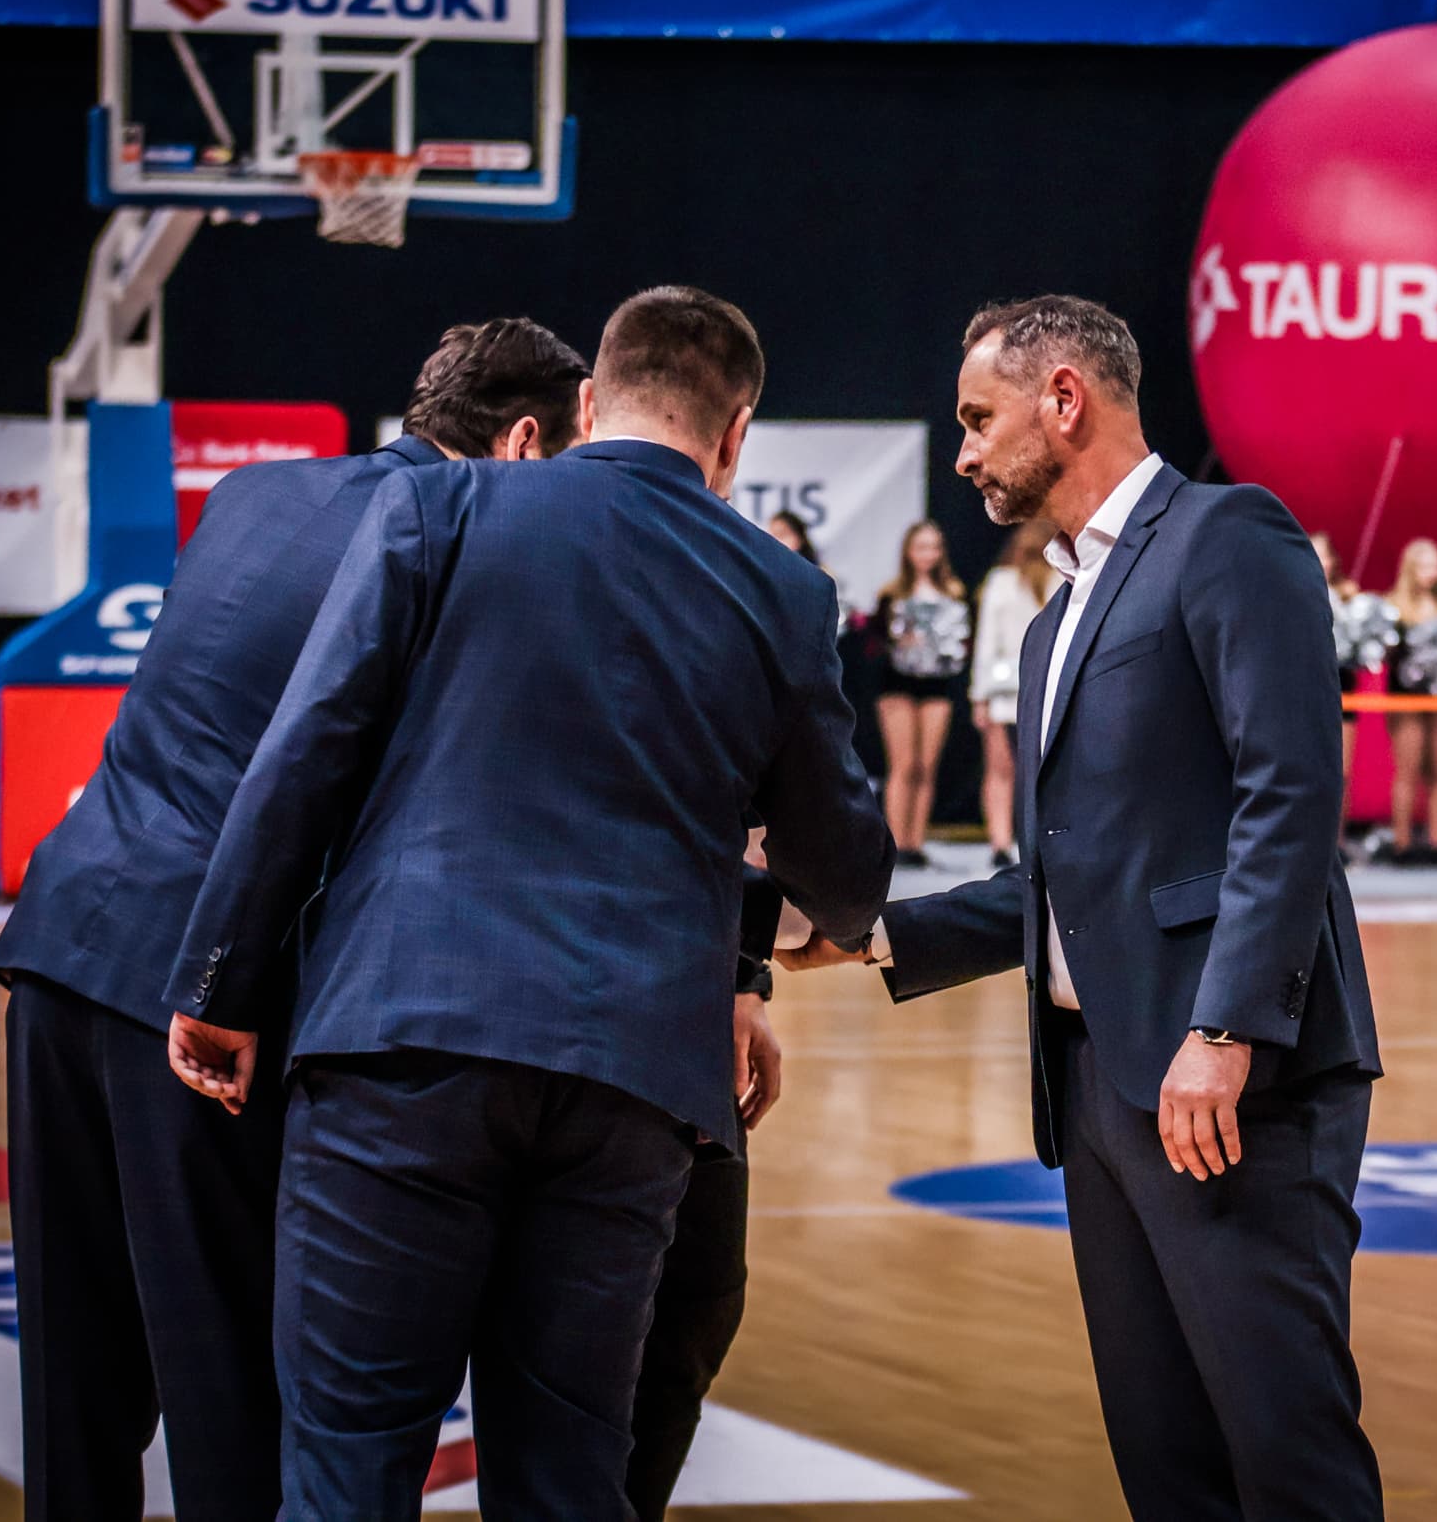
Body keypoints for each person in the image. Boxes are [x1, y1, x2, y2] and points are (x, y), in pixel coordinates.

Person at [161, 286, 895, 1520]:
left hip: (405, 1041)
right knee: (566, 1483)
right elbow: (847, 875)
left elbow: (306, 755)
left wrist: (221, 981)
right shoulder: (784, 592)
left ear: (590, 402)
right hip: (632, 1082)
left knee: (346, 1469)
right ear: (734, 435)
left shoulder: (437, 507)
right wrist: (790, 919)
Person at [0, 319, 591, 1522]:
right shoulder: (446, 541)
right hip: (198, 989)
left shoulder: (256, 493)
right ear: (524, 443)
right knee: (231, 1390)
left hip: (62, 936)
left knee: (74, 1382)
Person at [785, 295, 1383, 1521]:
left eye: (976, 419)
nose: (962, 453)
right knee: (1165, 1467)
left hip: (1229, 1079)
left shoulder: (1226, 535)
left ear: (1063, 399)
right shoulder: (1053, 618)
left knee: (1288, 1463)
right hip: (1101, 1086)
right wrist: (874, 935)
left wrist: (1224, 1030)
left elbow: (1289, 797)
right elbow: (1057, 876)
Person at [873, 520, 970, 865]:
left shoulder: (954, 592)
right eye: (921, 547)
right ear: (908, 552)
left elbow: (962, 644)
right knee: (902, 764)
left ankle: (915, 841)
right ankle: (895, 842)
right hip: (897, 684)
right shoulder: (892, 594)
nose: (928, 554)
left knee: (926, 766)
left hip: (937, 684)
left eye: (934, 547)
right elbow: (875, 644)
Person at [972, 519, 1058, 869]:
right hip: (1047, 686)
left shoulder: (1000, 582)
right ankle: (1035, 841)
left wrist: (979, 695)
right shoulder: (1063, 578)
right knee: (1041, 773)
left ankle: (1000, 841)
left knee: (999, 772)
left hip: (1003, 691)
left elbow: (987, 642)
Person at [1382, 538, 1437, 865]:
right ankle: (1402, 844)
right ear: (1410, 570)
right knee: (1407, 771)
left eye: (1435, 566)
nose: (1431, 573)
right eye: (1424, 566)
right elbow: (1387, 654)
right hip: (1406, 700)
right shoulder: (1394, 606)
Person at [1312, 533, 1363, 835]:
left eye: (1325, 555)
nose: (1321, 561)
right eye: (1314, 553)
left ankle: (1337, 841)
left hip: (1344, 691)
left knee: (1340, 772)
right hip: (1306, 691)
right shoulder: (1291, 593)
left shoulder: (1349, 599)